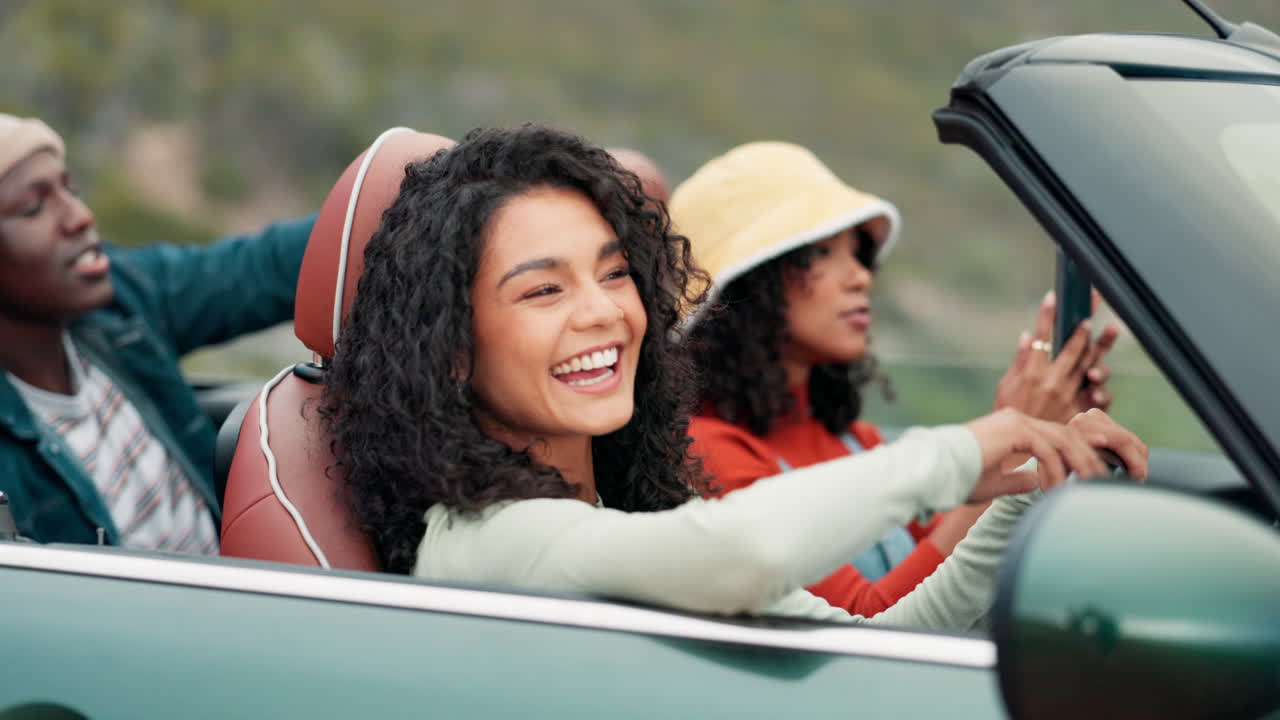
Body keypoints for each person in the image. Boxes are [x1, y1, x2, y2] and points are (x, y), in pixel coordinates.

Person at [319, 124, 1146, 628]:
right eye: (543, 289)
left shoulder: (621, 510)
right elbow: (743, 552)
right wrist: (964, 451)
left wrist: (1021, 484)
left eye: (615, 275)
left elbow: (891, 637)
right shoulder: (492, 537)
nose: (604, 313)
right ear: (453, 349)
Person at [669, 141, 1118, 616]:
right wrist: (1016, 426)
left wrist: (1027, 437)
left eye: (859, 253)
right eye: (819, 253)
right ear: (748, 281)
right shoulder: (707, 452)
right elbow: (874, 622)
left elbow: (959, 563)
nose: (860, 276)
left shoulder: (851, 438)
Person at [0, 113, 315, 550]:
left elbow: (260, 269)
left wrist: (414, 197)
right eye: (34, 207)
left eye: (69, 189)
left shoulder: (119, 301)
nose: (79, 217)